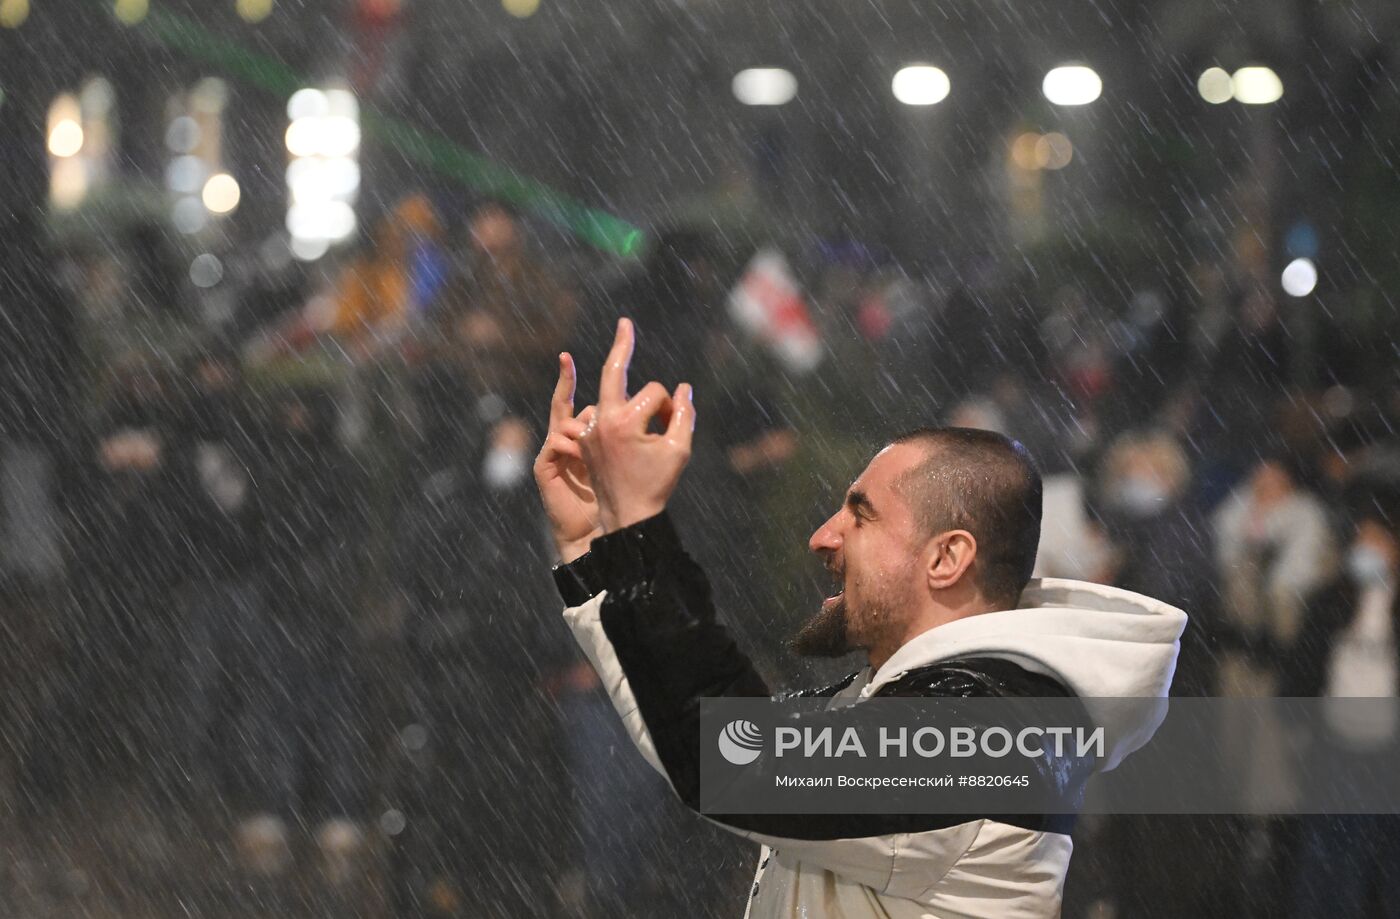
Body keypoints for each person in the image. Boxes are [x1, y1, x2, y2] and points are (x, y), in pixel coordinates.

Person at [533, 319, 1187, 918]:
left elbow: (728, 758)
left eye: (860, 514)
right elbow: (691, 729)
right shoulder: (920, 704)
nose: (823, 536)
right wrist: (595, 548)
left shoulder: (985, 736)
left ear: (948, 557)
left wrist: (640, 527)